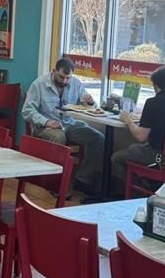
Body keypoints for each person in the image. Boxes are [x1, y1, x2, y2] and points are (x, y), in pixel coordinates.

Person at [22, 57, 105, 199]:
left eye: (68, 78)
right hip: (45, 125)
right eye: (61, 77)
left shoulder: (76, 84)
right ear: (53, 71)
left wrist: (90, 103)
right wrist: (46, 122)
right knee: (58, 136)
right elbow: (27, 111)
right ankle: (56, 184)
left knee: (98, 138)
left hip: (69, 123)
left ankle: (82, 178)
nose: (65, 81)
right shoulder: (39, 85)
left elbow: (90, 108)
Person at [112, 65, 165, 191]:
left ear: (156, 85)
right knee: (134, 149)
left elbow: (140, 136)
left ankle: (140, 195)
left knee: (118, 157)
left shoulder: (153, 102)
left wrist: (128, 121)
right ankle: (154, 188)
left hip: (159, 158)